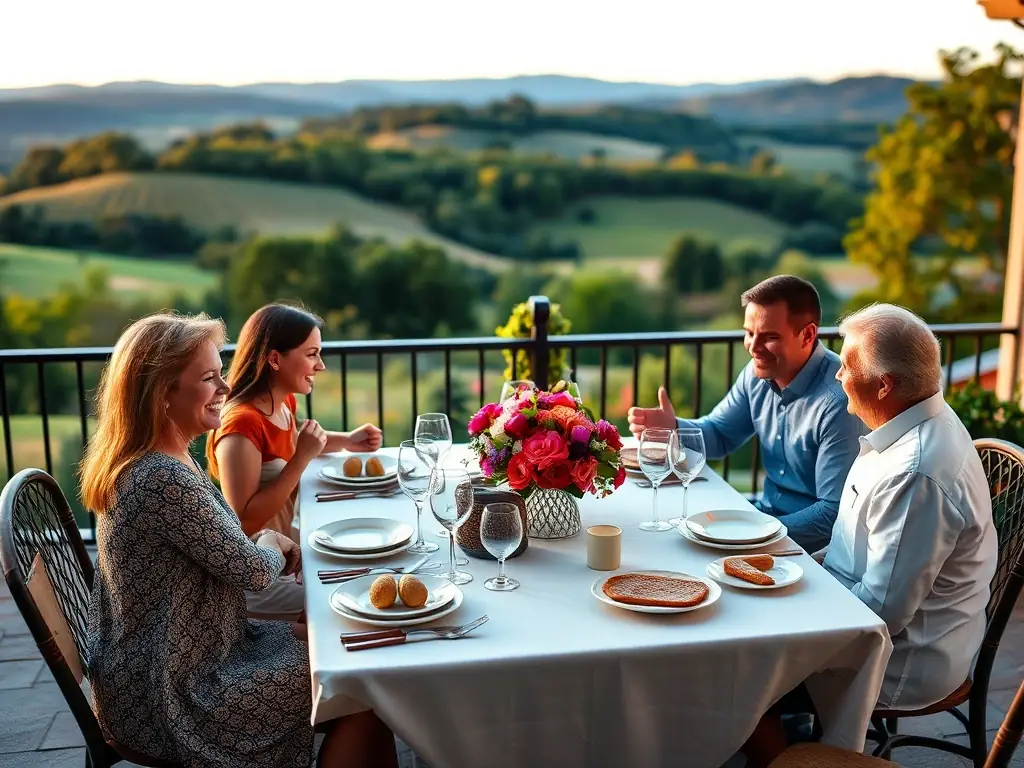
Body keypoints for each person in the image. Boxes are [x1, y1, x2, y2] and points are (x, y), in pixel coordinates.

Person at [81, 312, 397, 768]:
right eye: (210, 378)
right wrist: (269, 545)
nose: (226, 389)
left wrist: (265, 538)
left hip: (178, 660)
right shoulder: (163, 478)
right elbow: (251, 571)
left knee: (339, 650)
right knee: (360, 678)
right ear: (160, 393)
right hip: (176, 693)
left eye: (221, 373)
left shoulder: (161, 459)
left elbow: (225, 542)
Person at [742, 303, 998, 767]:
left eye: (846, 364)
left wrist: (791, 589)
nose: (836, 375)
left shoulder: (917, 472)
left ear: (885, 384)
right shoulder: (907, 424)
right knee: (745, 622)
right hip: (873, 619)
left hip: (904, 659)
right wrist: (791, 566)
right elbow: (853, 553)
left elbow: (883, 611)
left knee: (737, 678)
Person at [628, 275, 866, 552]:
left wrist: (756, 534)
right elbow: (719, 435)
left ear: (808, 335)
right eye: (749, 333)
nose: (753, 347)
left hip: (808, 550)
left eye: (770, 337)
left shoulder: (839, 402)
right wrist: (674, 427)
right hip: (764, 519)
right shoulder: (757, 376)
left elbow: (831, 514)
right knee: (666, 537)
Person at [207, 303, 382, 620]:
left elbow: (289, 447)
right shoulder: (240, 426)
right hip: (258, 576)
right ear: (275, 359)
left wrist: (347, 440)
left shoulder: (280, 401)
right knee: (354, 600)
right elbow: (242, 523)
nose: (321, 365)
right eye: (312, 354)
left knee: (373, 568)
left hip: (289, 554)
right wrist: (302, 458)